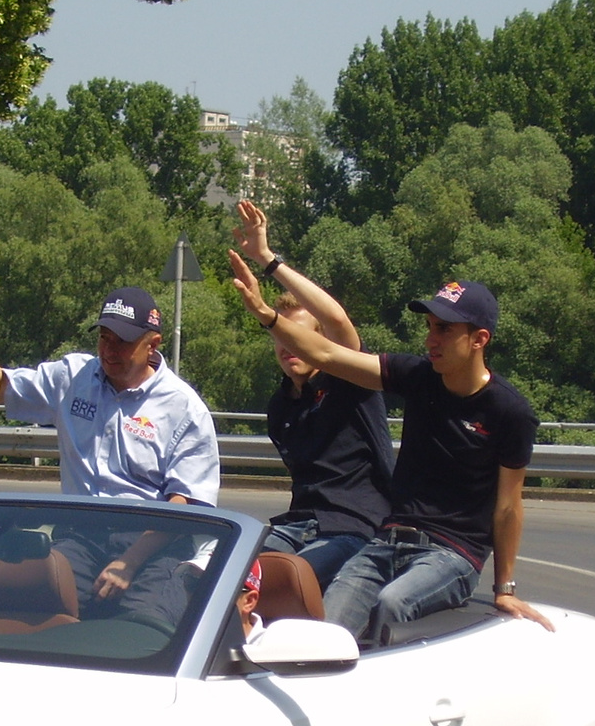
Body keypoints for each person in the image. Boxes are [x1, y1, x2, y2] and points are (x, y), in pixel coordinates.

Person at [232, 258, 553, 638]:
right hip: (388, 540)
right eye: (430, 327)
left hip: (452, 554)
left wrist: (504, 589)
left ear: (479, 339)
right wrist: (267, 315)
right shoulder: (418, 376)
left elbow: (508, 506)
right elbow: (327, 355)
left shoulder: (509, 411)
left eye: (444, 329)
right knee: (326, 631)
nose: (431, 339)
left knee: (391, 605)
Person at [0, 284, 219, 626]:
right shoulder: (73, 376)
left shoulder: (184, 408)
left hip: (153, 543)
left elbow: (184, 504)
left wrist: (130, 562)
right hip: (79, 534)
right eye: (104, 337)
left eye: (122, 341)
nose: (109, 350)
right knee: (25, 605)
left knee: (144, 630)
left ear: (152, 343)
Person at [229, 201, 396, 587]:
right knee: (225, 575)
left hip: (354, 527)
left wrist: (268, 260)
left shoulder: (351, 381)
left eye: (300, 338)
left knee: (287, 583)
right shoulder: (281, 405)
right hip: (298, 523)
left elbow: (338, 321)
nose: (289, 346)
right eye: (281, 337)